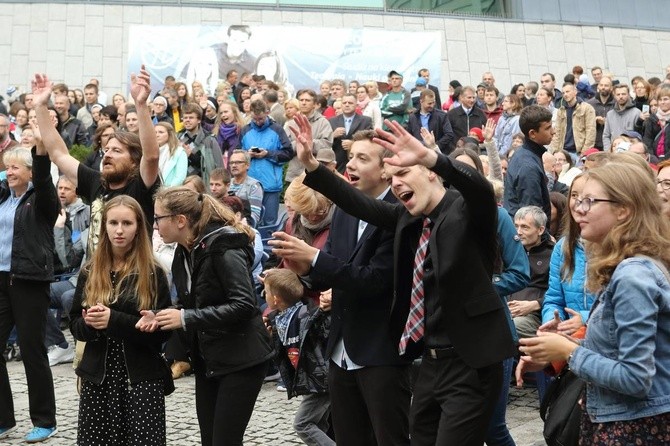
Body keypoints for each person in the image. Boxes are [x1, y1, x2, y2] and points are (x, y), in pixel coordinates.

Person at [289, 113, 516, 445]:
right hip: (430, 363)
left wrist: (433, 157)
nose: (396, 183)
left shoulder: (466, 211)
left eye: (405, 172)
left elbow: (479, 189)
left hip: (472, 363)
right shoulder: (409, 218)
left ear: (431, 175)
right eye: (392, 176)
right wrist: (311, 165)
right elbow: (356, 202)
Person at [271, 130, 413, 446]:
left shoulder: (402, 214)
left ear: (386, 168)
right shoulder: (346, 211)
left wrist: (316, 258)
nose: (352, 165)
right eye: (351, 157)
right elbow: (330, 272)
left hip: (381, 353)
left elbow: (373, 280)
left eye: (363, 158)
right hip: (340, 352)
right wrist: (304, 268)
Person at [518, 162, 670, 445]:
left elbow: (636, 378)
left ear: (623, 210)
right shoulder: (625, 267)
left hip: (632, 426)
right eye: (577, 199)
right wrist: (556, 355)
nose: (578, 209)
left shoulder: (632, 276)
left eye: (590, 201)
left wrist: (568, 350)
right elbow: (611, 348)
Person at [143, 187, 273, 446]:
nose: (154, 225)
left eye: (158, 218)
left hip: (242, 358)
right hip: (210, 358)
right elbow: (194, 302)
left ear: (180, 220)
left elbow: (245, 304)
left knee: (224, 441)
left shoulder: (223, 247)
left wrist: (185, 318)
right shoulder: (183, 251)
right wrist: (160, 316)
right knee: (210, 440)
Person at [69, 195, 172, 446]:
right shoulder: (90, 270)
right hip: (98, 378)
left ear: (138, 227)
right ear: (104, 226)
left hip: (141, 378)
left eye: (127, 223)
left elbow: (162, 335)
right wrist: (89, 324)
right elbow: (74, 324)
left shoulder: (152, 272)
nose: (119, 230)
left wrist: (113, 320)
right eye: (113, 222)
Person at [0, 144, 60, 443]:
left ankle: (45, 420)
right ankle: (2, 418)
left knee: (32, 351)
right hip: (1, 280)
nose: (9, 171)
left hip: (29, 281)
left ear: (30, 172)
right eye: (6, 166)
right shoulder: (2, 196)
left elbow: (45, 180)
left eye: (15, 167)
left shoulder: (42, 199)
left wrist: (40, 154)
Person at [263, 268, 333, 446]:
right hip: (308, 380)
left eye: (266, 292)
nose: (264, 296)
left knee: (303, 424)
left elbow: (324, 328)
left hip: (320, 380)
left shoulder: (307, 316)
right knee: (320, 424)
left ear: (276, 299)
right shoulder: (280, 319)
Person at [542, 174, 596, 334]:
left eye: (588, 197)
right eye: (574, 195)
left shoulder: (622, 249)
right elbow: (554, 297)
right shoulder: (563, 246)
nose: (579, 204)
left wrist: (585, 318)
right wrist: (552, 321)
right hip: (568, 335)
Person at [155, 122, 187, 187]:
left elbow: (180, 177)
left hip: (170, 192)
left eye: (161, 132)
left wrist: (167, 191)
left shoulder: (179, 152)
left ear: (169, 134)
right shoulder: (151, 152)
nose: (157, 135)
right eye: (155, 132)